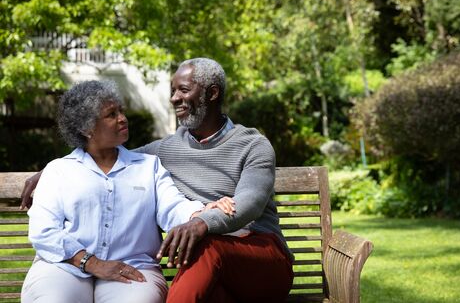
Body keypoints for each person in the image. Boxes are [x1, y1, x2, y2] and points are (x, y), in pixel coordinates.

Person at [21, 58, 294, 302]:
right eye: (172, 91)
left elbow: (249, 203)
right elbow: (110, 160)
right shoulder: (165, 150)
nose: (174, 98)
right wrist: (49, 171)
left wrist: (201, 221)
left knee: (208, 247)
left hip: (258, 252)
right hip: (211, 263)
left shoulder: (252, 145)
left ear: (212, 93)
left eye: (183, 90)